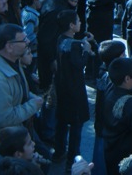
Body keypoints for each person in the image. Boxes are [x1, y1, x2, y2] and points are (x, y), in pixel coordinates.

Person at [0, 24, 43, 156]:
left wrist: (31, 96)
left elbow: (17, 90)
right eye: (23, 40)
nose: (28, 42)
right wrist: (33, 105)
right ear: (9, 47)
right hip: (4, 150)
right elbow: (3, 118)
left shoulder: (13, 61)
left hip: (18, 137)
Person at [53, 10, 93, 170]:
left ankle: (59, 152)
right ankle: (72, 160)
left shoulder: (61, 39)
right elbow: (79, 63)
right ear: (71, 25)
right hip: (75, 90)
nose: (80, 22)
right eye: (78, 20)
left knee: (62, 123)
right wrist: (87, 50)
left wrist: (82, 43)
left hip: (62, 87)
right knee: (76, 126)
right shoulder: (74, 45)